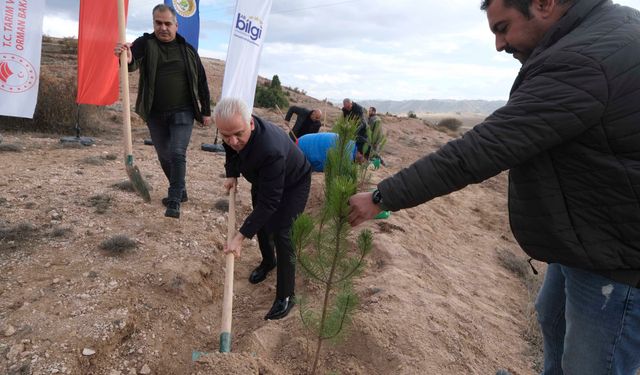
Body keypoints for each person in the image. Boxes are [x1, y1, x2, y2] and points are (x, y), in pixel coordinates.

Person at [348, 0, 640, 374]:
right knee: (551, 319)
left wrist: (381, 196)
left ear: (545, 4)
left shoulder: (584, 59)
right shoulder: (603, 29)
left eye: (503, 28)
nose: (499, 45)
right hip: (590, 236)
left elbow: (479, 151)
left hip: (616, 259)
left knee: (593, 363)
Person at [216, 97, 312, 320]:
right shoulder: (232, 130)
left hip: (294, 182)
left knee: (282, 232)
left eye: (238, 134)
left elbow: (270, 202)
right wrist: (232, 173)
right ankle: (269, 261)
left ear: (250, 123)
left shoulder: (270, 149)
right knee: (260, 223)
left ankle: (285, 296)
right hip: (264, 179)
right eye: (225, 134)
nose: (232, 140)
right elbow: (230, 149)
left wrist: (239, 237)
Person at [114, 4, 212, 219]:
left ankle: (175, 199)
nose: (163, 28)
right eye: (158, 23)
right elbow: (132, 62)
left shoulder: (188, 50)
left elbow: (202, 81)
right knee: (164, 156)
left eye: (168, 23)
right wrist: (126, 57)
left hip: (183, 112)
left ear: (176, 25)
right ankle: (181, 189)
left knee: (177, 153)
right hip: (155, 113)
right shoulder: (145, 43)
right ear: (153, 23)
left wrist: (205, 110)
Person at [342, 98, 368, 163]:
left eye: (348, 107)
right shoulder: (344, 109)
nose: (347, 109)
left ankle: (364, 159)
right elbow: (345, 119)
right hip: (352, 127)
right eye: (345, 107)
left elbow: (360, 121)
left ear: (351, 103)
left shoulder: (358, 108)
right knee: (352, 143)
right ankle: (354, 158)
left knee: (362, 143)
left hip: (361, 128)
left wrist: (354, 130)